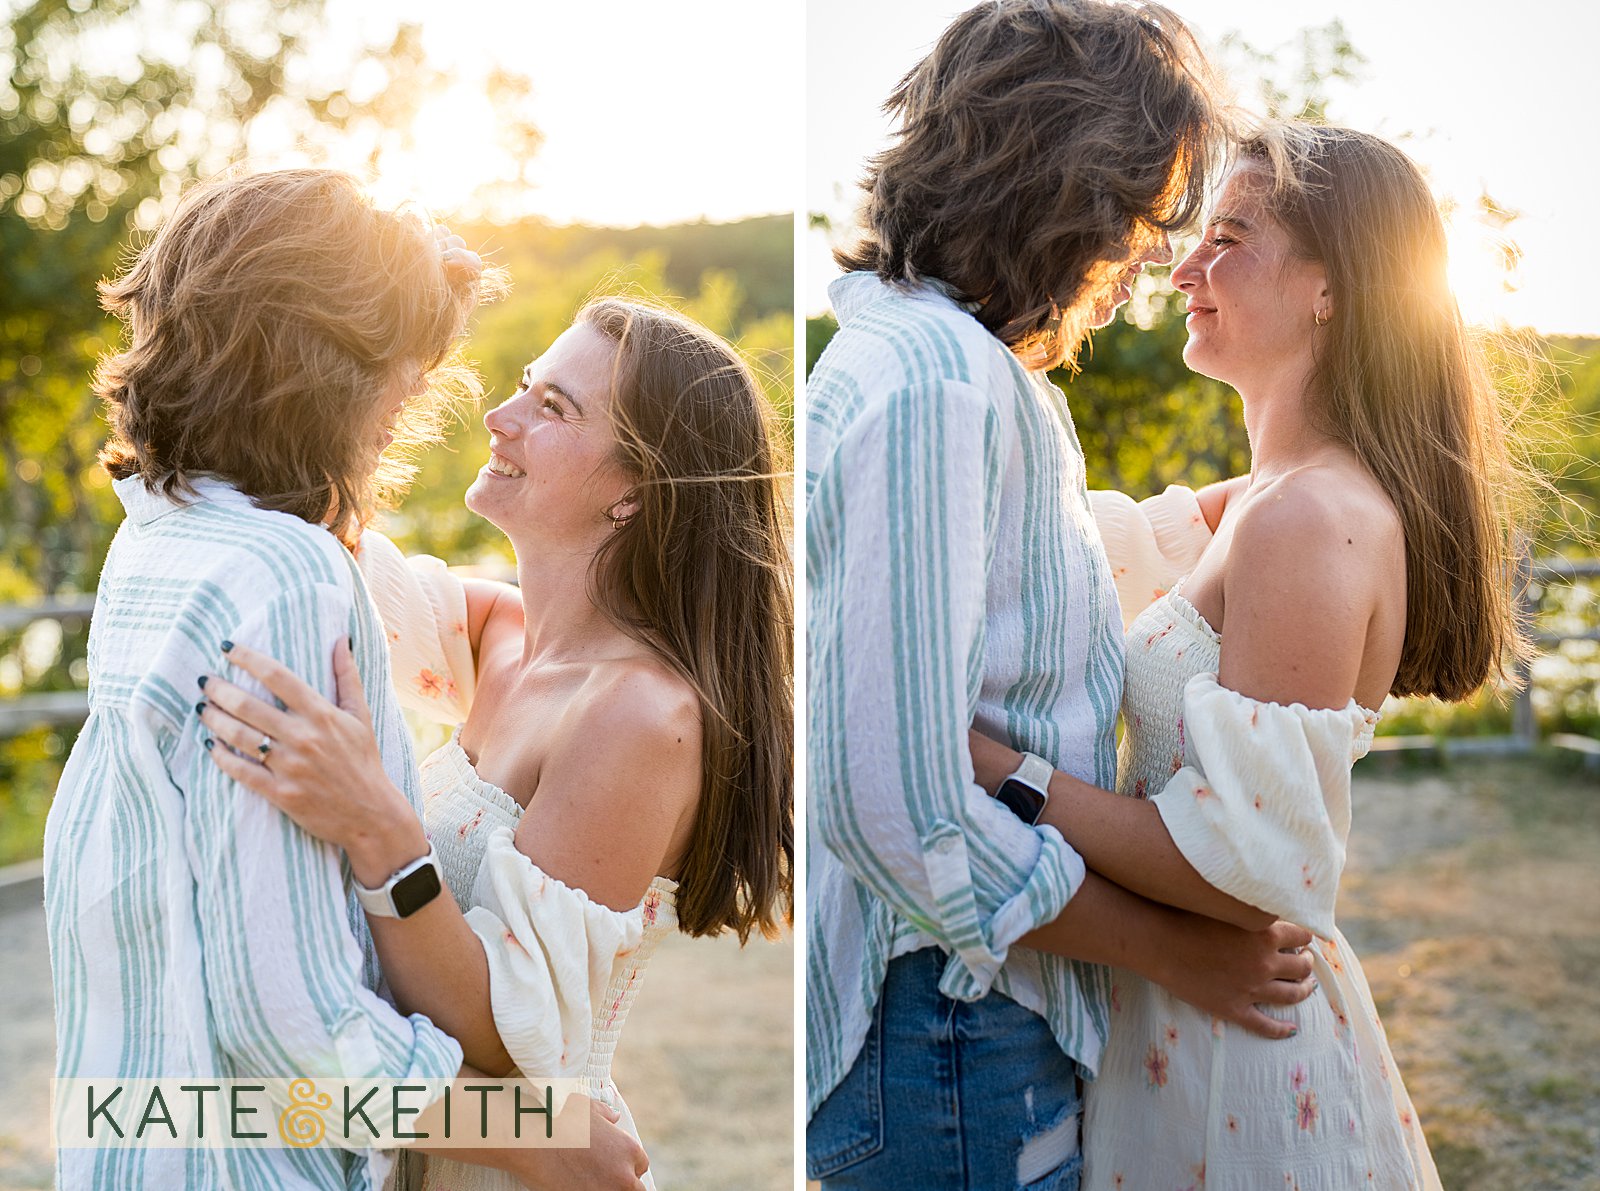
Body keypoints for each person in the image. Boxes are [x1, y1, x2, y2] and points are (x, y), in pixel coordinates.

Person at [43, 167, 647, 1190]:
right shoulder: (283, 573)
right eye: (403, 371)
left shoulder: (158, 542)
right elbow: (284, 1013)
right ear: (318, 360)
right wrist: (532, 1135)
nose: (412, 404)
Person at [804, 4, 1319, 1189]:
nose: (1148, 256)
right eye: (1142, 213)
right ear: (1066, 179)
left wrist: (1234, 509)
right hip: (949, 1021)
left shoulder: (956, 367)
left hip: (970, 1018)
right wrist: (1172, 953)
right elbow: (891, 808)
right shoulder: (934, 385)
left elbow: (1008, 590)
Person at [970, 122, 1528, 1187]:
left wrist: (995, 768)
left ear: (1332, 288)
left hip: (1234, 1066)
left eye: (1228, 235)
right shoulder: (1261, 504)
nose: (1183, 267)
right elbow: (1078, 551)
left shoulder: (1308, 519)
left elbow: (1244, 873)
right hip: (1180, 1025)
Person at [194, 296, 795, 1191]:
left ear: (634, 489)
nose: (498, 415)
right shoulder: (498, 633)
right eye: (524, 385)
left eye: (554, 407)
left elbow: (498, 1032)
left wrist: (375, 825)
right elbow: (321, 547)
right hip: (432, 1143)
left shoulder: (640, 716)